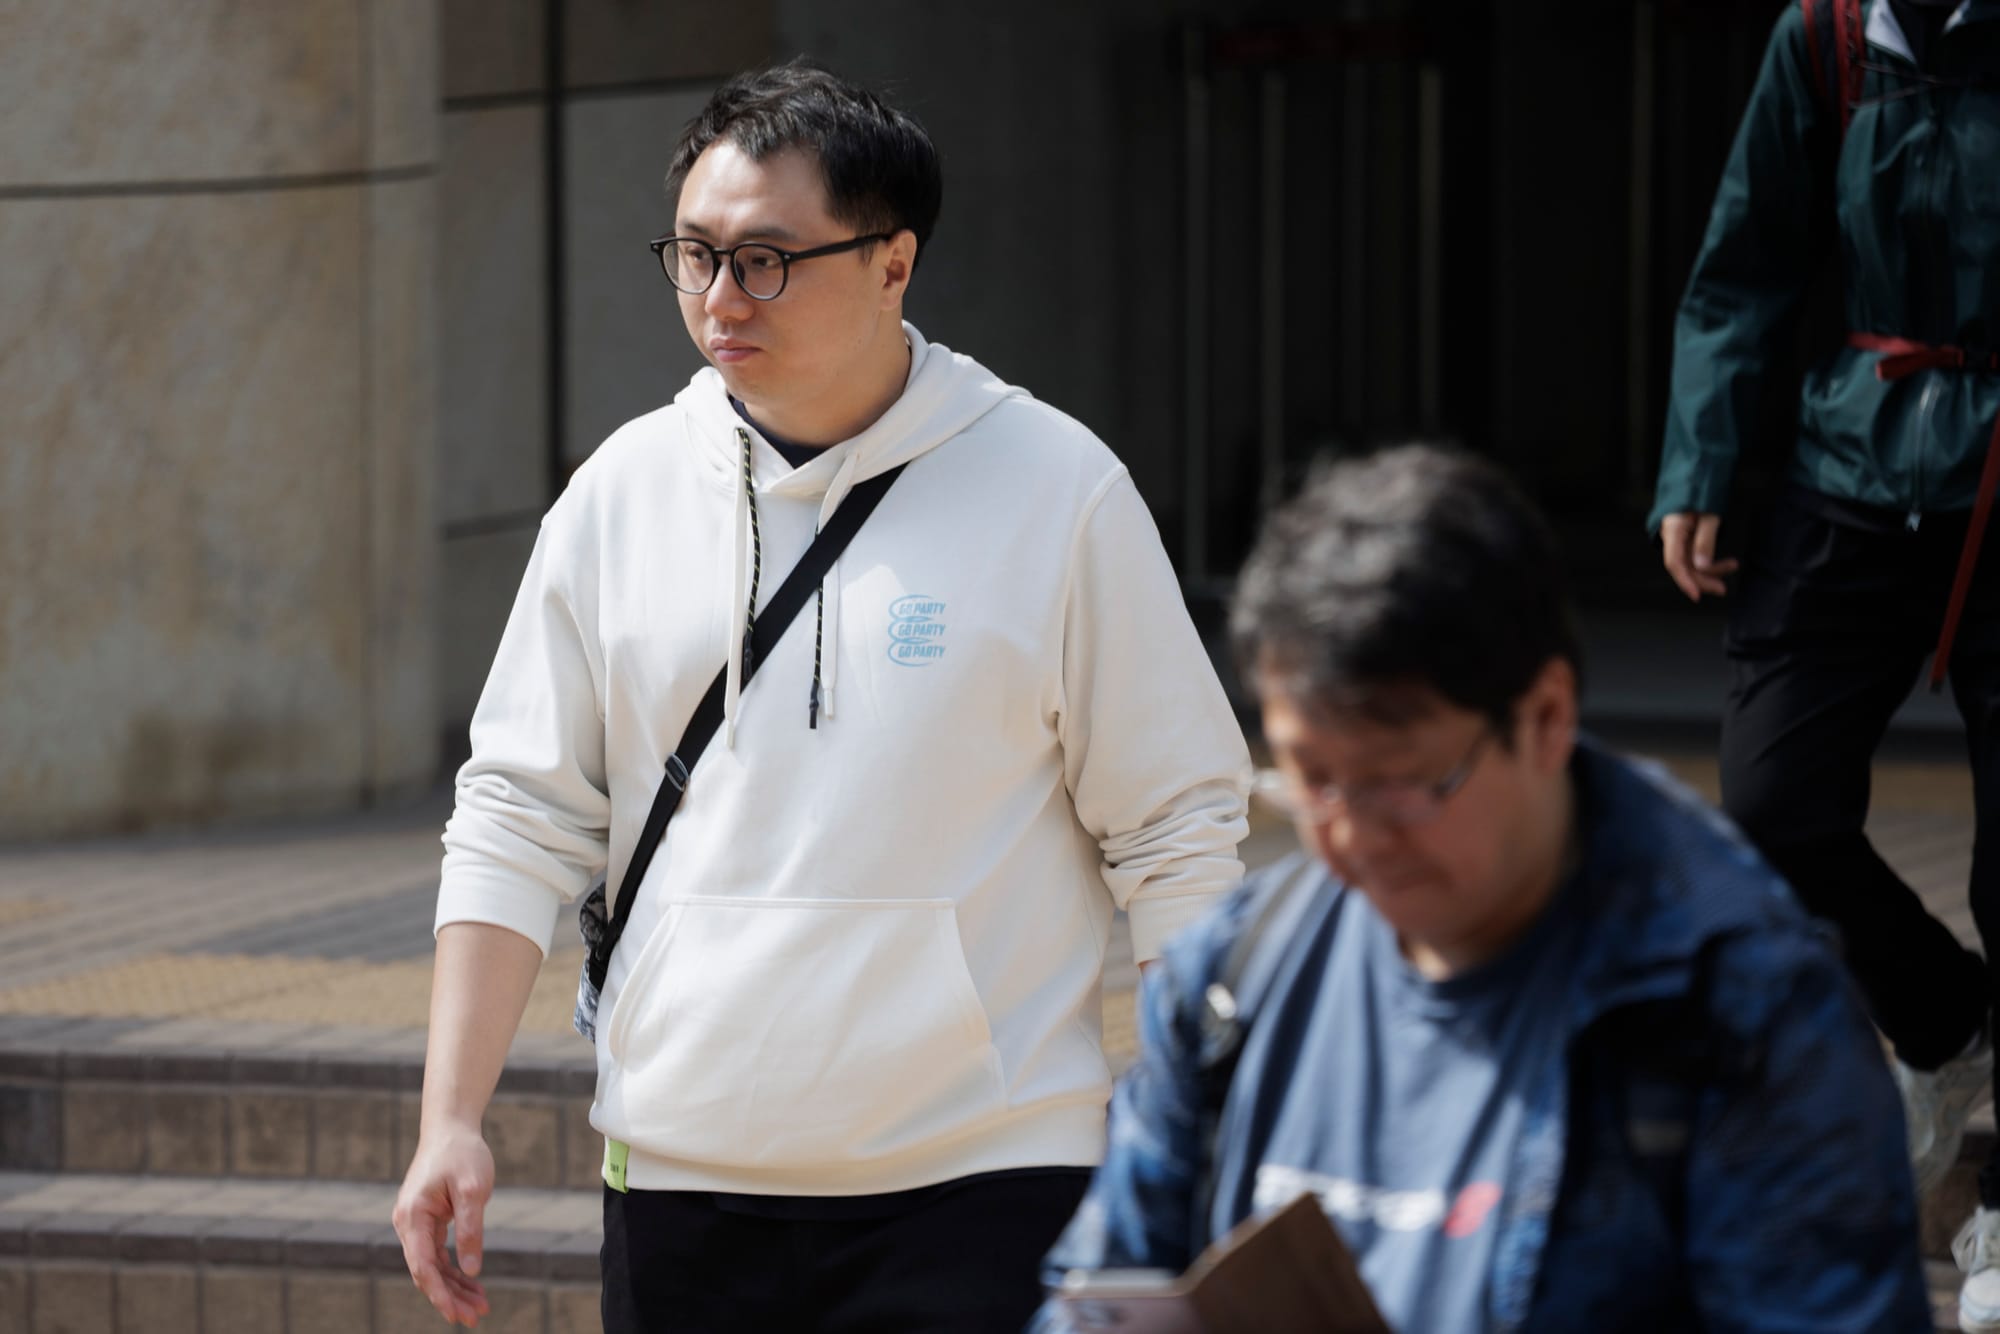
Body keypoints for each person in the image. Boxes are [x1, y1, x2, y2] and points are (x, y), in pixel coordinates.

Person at [391, 59, 1252, 1333]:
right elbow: (516, 813)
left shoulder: (1058, 488)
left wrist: (1198, 1127)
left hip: (987, 1175)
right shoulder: (619, 494)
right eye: (694, 254)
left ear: (893, 262)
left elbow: (1176, 827)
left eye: (765, 260)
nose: (719, 297)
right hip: (681, 1177)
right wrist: (449, 1117)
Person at [1036, 445, 1932, 1331]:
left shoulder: (1742, 1010)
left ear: (1545, 718)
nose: (1354, 838)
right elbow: (1102, 1290)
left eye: (1403, 785)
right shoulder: (1230, 980)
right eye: (1312, 782)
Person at [1650, 1, 2000, 1319]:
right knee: (1772, 798)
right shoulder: (1827, 36)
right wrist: (1701, 460)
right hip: (1854, 462)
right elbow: (1743, 265)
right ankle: (1947, 1021)